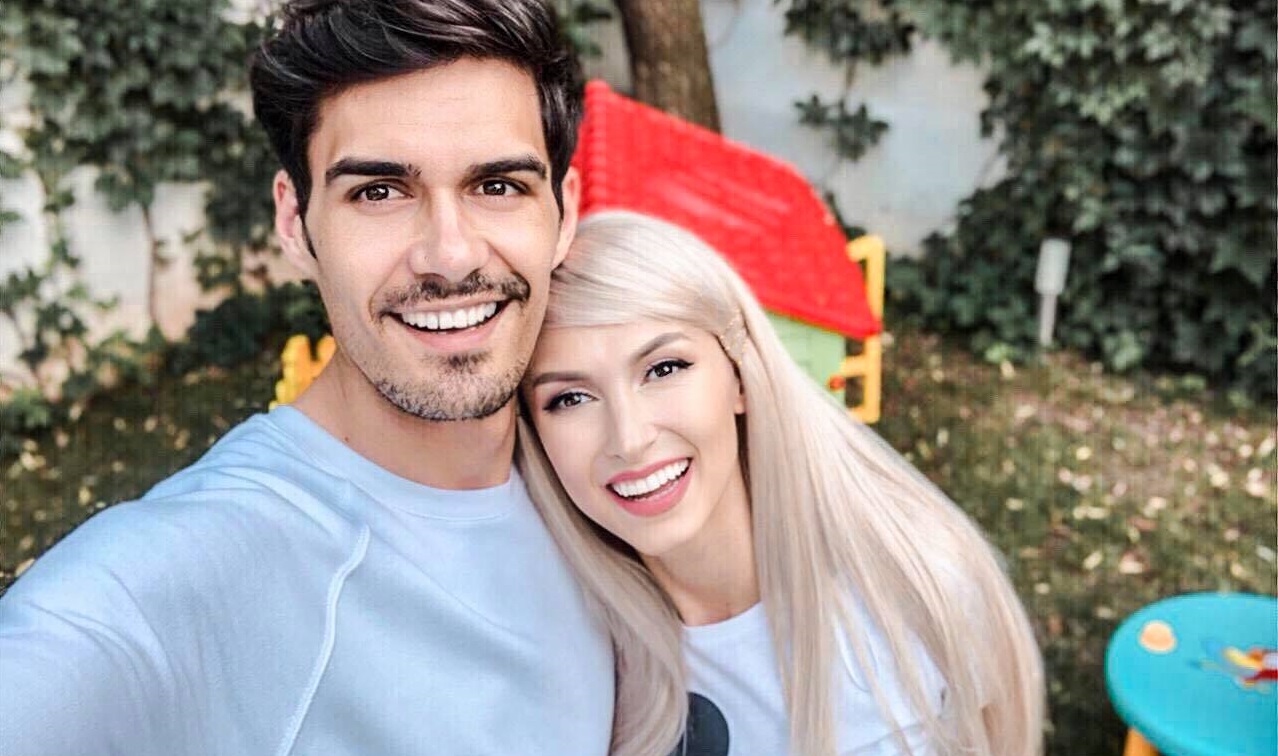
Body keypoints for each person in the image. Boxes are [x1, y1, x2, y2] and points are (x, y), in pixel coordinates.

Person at [0, 2, 618, 754]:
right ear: (295, 223)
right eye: (378, 192)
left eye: (497, 186)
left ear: (564, 213)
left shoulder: (609, 473)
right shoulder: (178, 577)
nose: (451, 256)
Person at [517, 211, 1046, 756]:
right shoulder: (563, 656)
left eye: (665, 368)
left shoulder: (915, 585)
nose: (629, 439)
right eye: (570, 399)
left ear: (740, 377)